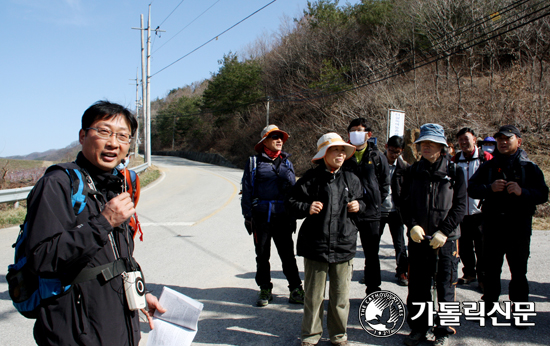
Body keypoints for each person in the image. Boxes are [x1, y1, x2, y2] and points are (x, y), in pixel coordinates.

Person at [24, 101, 164, 346]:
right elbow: (42, 257)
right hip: (75, 330)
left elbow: (120, 257)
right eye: (104, 132)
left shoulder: (117, 184)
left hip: (119, 324)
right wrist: (104, 222)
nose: (113, 143)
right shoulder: (57, 184)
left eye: (123, 136)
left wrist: (142, 295)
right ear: (82, 136)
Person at [286, 133, 364, 346]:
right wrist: (306, 207)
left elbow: (365, 203)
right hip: (315, 246)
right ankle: (310, 336)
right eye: (334, 150)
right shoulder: (310, 179)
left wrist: (359, 206)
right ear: (324, 154)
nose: (340, 154)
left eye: (342, 150)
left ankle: (339, 335)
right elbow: (291, 203)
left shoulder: (351, 179)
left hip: (343, 245)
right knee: (313, 297)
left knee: (340, 298)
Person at [468, 125, 548, 325]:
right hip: (493, 225)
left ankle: (519, 312)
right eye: (499, 139)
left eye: (507, 139)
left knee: (519, 271)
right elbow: (472, 189)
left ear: (518, 142)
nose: (503, 142)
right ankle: (488, 308)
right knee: (490, 269)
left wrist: (523, 192)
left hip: (518, 227)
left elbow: (543, 194)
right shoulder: (489, 166)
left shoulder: (529, 167)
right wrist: (490, 188)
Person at [401, 123, 467, 346]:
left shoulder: (455, 171)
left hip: (446, 240)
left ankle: (443, 332)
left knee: (446, 286)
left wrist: (445, 231)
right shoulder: (412, 171)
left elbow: (460, 206)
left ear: (442, 147)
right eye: (422, 143)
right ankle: (419, 328)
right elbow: (404, 204)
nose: (425, 147)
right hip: (419, 239)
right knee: (418, 286)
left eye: (431, 143)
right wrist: (411, 225)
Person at [241, 125, 304, 307]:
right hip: (261, 218)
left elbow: (294, 191)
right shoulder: (254, 162)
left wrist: (294, 214)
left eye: (281, 138)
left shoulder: (287, 163)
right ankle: (265, 288)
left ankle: (295, 289)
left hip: (283, 217)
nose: (279, 140)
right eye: (274, 137)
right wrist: (247, 216)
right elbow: (247, 190)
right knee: (262, 255)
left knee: (287, 255)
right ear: (264, 142)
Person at [342, 118, 390, 295]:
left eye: (359, 131)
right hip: (348, 213)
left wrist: (377, 201)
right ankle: (342, 289)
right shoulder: (344, 155)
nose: (355, 134)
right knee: (345, 251)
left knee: (371, 254)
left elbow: (385, 182)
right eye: (352, 131)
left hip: (371, 214)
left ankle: (373, 288)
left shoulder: (377, 156)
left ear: (368, 134)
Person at [453, 128, 493, 292]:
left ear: (475, 139)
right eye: (460, 140)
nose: (463, 142)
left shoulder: (486, 158)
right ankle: (469, 273)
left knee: (483, 247)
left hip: (481, 211)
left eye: (466, 139)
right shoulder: (456, 160)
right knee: (464, 245)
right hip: (462, 212)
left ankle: (483, 277)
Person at [379, 135, 410, 286]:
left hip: (396, 211)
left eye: (397, 152)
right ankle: (370, 272)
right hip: (379, 210)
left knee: (400, 243)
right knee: (372, 243)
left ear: (402, 151)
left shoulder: (405, 168)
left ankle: (402, 271)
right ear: (386, 146)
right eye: (391, 150)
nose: (393, 154)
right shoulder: (377, 163)